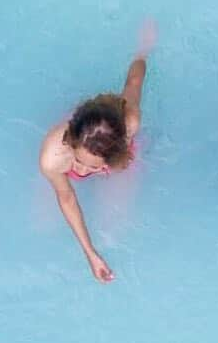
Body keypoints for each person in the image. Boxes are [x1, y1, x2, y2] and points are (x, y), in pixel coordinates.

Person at [39, 21, 156, 282]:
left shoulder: (130, 123)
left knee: (115, 228)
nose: (80, 171)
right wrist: (89, 253)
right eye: (79, 162)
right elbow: (66, 198)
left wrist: (143, 51)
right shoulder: (53, 156)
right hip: (73, 146)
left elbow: (135, 80)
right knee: (41, 224)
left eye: (91, 168)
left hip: (115, 153)